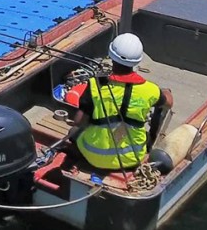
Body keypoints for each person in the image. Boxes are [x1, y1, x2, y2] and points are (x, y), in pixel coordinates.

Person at [72, 33, 174, 171]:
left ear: (111, 56)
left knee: (75, 131)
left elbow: (79, 121)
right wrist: (165, 92)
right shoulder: (150, 90)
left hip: (92, 156)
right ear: (137, 61)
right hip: (132, 158)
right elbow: (169, 103)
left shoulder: (95, 85)